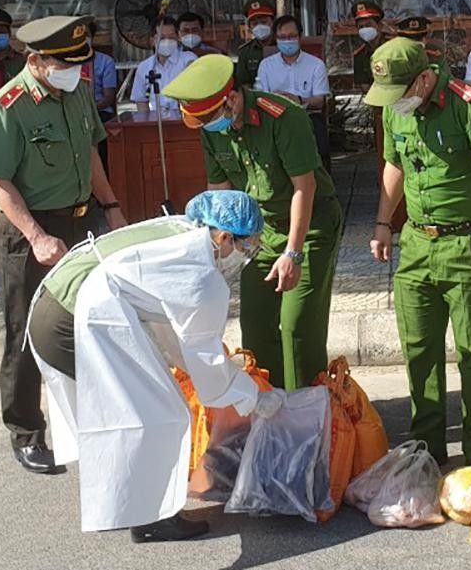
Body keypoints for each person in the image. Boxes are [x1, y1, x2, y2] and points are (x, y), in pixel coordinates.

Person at [27, 190, 283, 543]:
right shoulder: (202, 274)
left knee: (140, 410)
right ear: (225, 237)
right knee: (162, 415)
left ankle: (133, 505)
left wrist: (204, 371)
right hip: (69, 321)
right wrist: (252, 397)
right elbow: (205, 361)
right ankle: (152, 519)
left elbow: (174, 327)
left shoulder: (185, 232)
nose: (246, 256)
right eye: (247, 246)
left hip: (59, 306)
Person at [0, 15, 129, 475]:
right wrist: (37, 236)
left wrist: (112, 206)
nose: (74, 72)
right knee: (25, 333)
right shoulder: (10, 105)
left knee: (86, 324)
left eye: (79, 64)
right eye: (64, 65)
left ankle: (91, 421)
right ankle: (26, 433)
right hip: (30, 233)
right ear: (35, 61)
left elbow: (90, 152)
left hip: (81, 222)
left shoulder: (77, 92)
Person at [364, 38, 471, 464]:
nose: (394, 101)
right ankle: (427, 448)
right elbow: (394, 165)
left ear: (425, 79)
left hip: (466, 243)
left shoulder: (469, 106)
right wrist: (382, 223)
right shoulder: (395, 108)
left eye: (400, 91)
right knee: (418, 348)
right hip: (415, 243)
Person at [164, 53, 344, 390]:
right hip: (259, 233)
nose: (207, 126)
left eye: (210, 117)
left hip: (308, 227)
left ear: (232, 99)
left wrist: (293, 254)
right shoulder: (211, 128)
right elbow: (220, 194)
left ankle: (309, 408)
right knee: (256, 327)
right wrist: (213, 248)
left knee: (297, 327)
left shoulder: (283, 118)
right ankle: (270, 404)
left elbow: (304, 187)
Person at [255, 14, 332, 169]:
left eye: (291, 36)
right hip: (275, 117)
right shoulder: (266, 65)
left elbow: (319, 101)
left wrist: (299, 100)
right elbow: (259, 98)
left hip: (307, 116)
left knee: (320, 146)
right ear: (275, 39)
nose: (287, 41)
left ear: (300, 37)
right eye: (282, 37)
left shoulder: (316, 65)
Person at [131, 16, 195, 114]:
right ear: (153, 40)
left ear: (178, 38)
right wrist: (148, 121)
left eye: (171, 37)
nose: (167, 41)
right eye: (162, 38)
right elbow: (141, 101)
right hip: (156, 119)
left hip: (184, 117)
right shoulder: (144, 67)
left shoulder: (189, 60)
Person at [231, 0, 276, 88]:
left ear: (273, 22)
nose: (260, 26)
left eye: (264, 22)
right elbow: (243, 84)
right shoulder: (245, 51)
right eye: (255, 24)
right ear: (250, 28)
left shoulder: (284, 46)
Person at [350, 0, 386, 87]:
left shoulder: (393, 49)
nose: (365, 29)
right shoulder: (359, 55)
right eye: (361, 27)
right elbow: (364, 86)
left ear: (380, 26)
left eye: (368, 25)